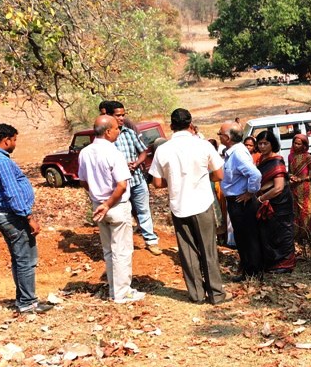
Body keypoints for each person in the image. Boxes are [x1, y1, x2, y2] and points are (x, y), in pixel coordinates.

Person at [149, 108, 227, 304]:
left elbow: (157, 183)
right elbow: (219, 175)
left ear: (171, 126)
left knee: (188, 252)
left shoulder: (163, 149)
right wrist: (202, 177)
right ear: (190, 124)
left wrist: (174, 181)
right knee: (208, 250)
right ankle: (216, 294)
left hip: (179, 205)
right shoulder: (203, 146)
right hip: (202, 203)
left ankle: (197, 295)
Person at [0, 123, 52, 314]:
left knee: (19, 259)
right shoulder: (1, 162)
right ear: (6, 140)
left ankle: (23, 298)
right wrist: (28, 217)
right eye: (15, 140)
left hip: (2, 214)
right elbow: (12, 193)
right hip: (14, 216)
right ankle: (28, 303)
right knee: (25, 259)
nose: (15, 143)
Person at [78, 115, 143, 304]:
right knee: (122, 250)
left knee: (108, 250)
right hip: (116, 206)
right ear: (107, 132)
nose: (119, 131)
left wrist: (98, 199)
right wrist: (108, 203)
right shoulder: (113, 152)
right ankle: (122, 293)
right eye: (116, 129)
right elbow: (121, 185)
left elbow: (83, 180)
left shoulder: (86, 152)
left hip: (98, 206)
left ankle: (115, 289)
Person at [105, 101, 162, 256]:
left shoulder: (129, 133)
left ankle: (151, 241)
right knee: (123, 214)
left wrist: (136, 163)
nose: (122, 118)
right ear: (109, 116)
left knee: (144, 210)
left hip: (136, 179)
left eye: (123, 115)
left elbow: (143, 152)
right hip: (118, 184)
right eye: (118, 115)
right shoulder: (106, 138)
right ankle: (124, 247)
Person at [217, 121, 264, 280]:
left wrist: (250, 193)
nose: (218, 136)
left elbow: (255, 175)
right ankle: (248, 269)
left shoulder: (237, 153)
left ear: (227, 137)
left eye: (220, 134)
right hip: (235, 201)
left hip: (241, 202)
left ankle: (253, 272)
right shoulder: (233, 151)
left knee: (247, 237)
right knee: (242, 237)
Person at [254, 130, 296, 272]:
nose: (262, 146)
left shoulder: (277, 161)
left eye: (265, 143)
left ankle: (286, 263)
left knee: (283, 231)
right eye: (260, 143)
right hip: (268, 200)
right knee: (269, 231)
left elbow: (278, 187)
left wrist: (260, 198)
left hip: (280, 202)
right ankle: (272, 261)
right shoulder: (260, 160)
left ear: (272, 144)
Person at [288, 133, 311, 247]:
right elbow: (289, 171)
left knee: (306, 212)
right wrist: (291, 176)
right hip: (293, 187)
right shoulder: (290, 156)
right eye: (294, 143)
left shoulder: (307, 157)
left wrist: (302, 179)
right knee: (295, 212)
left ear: (304, 145)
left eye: (299, 144)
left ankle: (308, 236)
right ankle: (298, 237)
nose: (296, 145)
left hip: (305, 188)